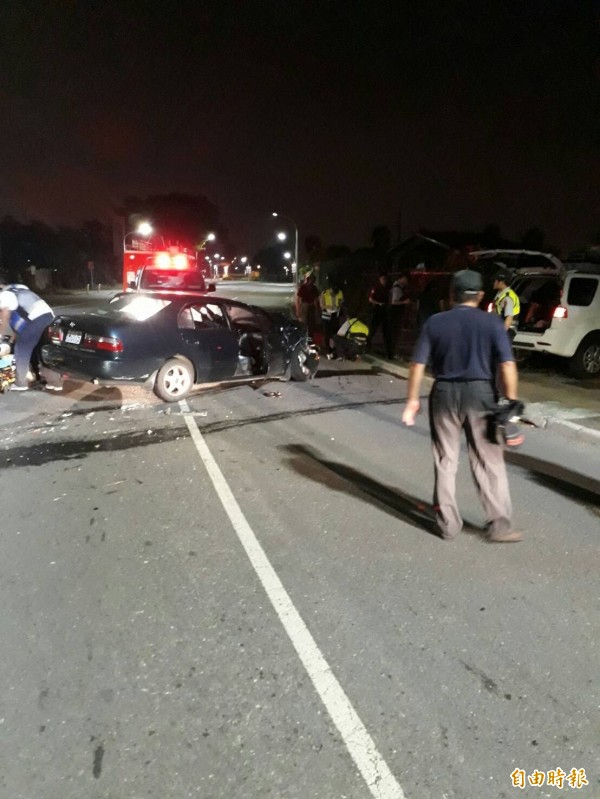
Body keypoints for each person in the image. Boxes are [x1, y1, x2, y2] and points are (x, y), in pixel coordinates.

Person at [402, 269, 522, 543]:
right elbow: (507, 364)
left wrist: (411, 401)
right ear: (480, 296)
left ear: (451, 294)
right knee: (489, 460)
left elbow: (417, 364)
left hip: (443, 394)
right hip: (481, 394)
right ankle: (499, 526)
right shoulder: (492, 323)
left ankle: (447, 525)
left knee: (445, 459)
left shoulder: (435, 322)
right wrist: (510, 401)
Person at [0, 273, 62, 391]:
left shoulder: (5, 294)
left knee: (21, 350)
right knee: (44, 352)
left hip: (35, 322)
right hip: (50, 319)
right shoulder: (20, 290)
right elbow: (19, 320)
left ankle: (20, 383)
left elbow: (5, 315)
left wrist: (0, 333)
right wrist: (13, 338)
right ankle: (56, 383)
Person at [367, 272, 392, 359]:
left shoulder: (387, 288)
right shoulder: (376, 288)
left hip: (384, 311)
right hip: (377, 310)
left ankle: (387, 350)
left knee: (386, 331)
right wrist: (378, 303)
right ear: (380, 279)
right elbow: (370, 299)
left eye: (385, 279)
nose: (384, 280)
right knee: (373, 329)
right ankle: (367, 345)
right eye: (382, 279)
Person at [492, 265, 520, 337]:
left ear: (501, 282)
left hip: (508, 330)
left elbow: (509, 318)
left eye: (495, 281)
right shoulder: (500, 293)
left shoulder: (507, 297)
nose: (494, 283)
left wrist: (502, 335)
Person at [320, 281, 345, 358]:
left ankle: (333, 348)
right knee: (327, 332)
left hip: (335, 315)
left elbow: (341, 302)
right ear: (330, 289)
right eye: (334, 291)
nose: (335, 293)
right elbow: (321, 304)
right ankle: (328, 349)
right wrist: (327, 307)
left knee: (335, 332)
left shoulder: (340, 292)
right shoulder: (324, 293)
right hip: (326, 314)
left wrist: (339, 308)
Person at [389, 273, 411, 358]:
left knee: (394, 334)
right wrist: (404, 302)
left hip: (394, 314)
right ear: (402, 278)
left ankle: (392, 352)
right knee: (395, 334)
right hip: (395, 315)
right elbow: (394, 302)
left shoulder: (397, 287)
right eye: (406, 279)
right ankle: (392, 353)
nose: (407, 282)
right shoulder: (397, 289)